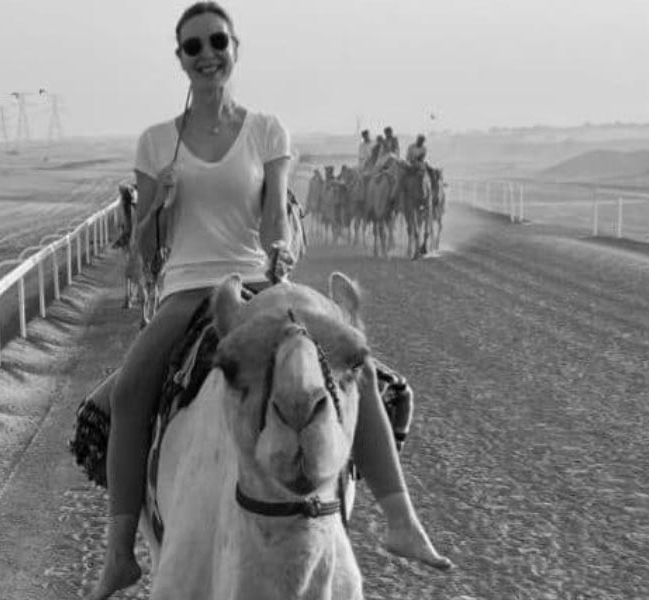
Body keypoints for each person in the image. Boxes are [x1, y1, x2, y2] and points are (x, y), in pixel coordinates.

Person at [88, 4, 450, 598]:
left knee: (354, 363)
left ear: (235, 48)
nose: (207, 54)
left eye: (217, 42)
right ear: (179, 58)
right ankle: (119, 554)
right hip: (187, 290)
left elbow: (275, 210)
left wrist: (279, 250)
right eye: (193, 46)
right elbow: (143, 253)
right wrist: (158, 207)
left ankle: (400, 519)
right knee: (130, 391)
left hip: (259, 281)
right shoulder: (157, 144)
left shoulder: (267, 131)